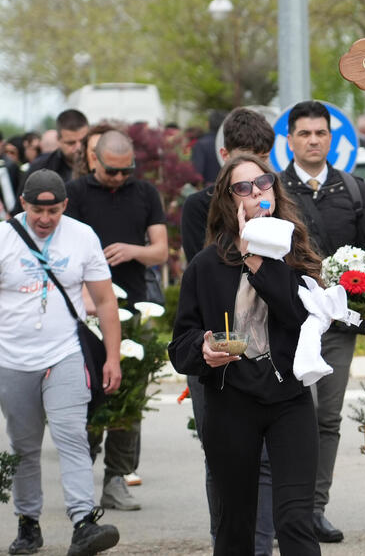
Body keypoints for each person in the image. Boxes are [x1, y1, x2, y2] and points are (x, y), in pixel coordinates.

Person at [169, 154, 322, 555]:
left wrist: (258, 259)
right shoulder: (205, 266)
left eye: (263, 183)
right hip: (231, 398)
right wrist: (203, 349)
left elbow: (295, 315)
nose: (256, 193)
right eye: (243, 187)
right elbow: (179, 345)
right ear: (228, 200)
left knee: (295, 521)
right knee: (236, 524)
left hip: (289, 399)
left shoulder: (296, 253)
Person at [280, 100, 365, 544]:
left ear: (332, 138)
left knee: (326, 419)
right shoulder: (275, 189)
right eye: (304, 133)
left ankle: (313, 510)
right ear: (289, 139)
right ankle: (282, 510)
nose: (312, 140)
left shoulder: (353, 188)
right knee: (288, 416)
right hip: (286, 326)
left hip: (339, 328)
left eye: (320, 133)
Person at [0, 170, 122, 556]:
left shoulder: (82, 235)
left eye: (52, 210)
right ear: (23, 204)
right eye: (37, 209)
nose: (44, 218)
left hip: (64, 352)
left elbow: (104, 301)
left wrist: (113, 357)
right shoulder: (4, 238)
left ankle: (84, 522)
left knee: (72, 434)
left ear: (65, 206)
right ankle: (28, 523)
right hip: (12, 357)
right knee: (23, 445)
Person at [179, 106, 277, 554]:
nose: (255, 181)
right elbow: (203, 275)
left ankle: (258, 542)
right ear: (223, 157)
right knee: (222, 459)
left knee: (265, 460)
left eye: (263, 164)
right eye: (243, 165)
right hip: (216, 344)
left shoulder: (279, 202)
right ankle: (228, 541)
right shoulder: (199, 206)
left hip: (267, 347)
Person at [64, 130, 168, 512]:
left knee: (129, 398)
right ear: (95, 161)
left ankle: (116, 479)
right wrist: (86, 299)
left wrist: (133, 250)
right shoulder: (74, 193)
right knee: (87, 398)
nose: (120, 178)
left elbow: (160, 251)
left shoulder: (145, 194)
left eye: (127, 172)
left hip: (134, 310)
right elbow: (62, 247)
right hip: (86, 308)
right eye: (112, 171)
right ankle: (80, 483)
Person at [24, 109, 89, 183]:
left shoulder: (99, 167)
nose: (78, 147)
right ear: (58, 140)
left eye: (84, 141)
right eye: (71, 143)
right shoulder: (40, 170)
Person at [191, 110, 227, 185]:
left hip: (209, 190)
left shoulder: (200, 144)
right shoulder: (229, 143)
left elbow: (196, 173)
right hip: (230, 189)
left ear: (208, 124)